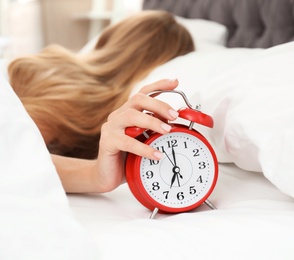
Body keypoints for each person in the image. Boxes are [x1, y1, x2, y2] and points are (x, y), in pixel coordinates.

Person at [7, 11, 195, 193]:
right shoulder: (66, 99)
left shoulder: (49, 66)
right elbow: (13, 154)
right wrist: (92, 175)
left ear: (109, 39)